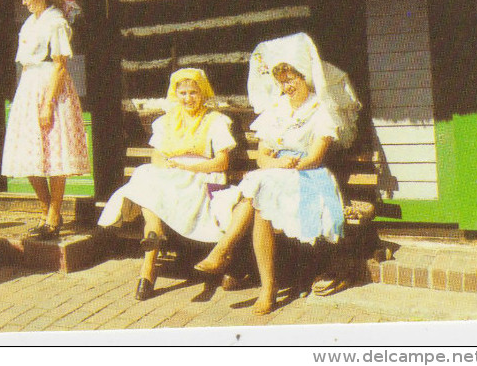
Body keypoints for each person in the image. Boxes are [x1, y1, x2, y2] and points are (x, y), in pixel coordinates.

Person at [194, 32, 360, 315]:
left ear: (305, 77)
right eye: (282, 81)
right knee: (262, 202)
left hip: (308, 178)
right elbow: (262, 156)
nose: (287, 85)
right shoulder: (277, 110)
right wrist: (274, 165)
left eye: (292, 79)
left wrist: (284, 165)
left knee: (260, 192)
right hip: (274, 177)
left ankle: (230, 257)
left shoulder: (321, 110)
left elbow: (314, 157)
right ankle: (264, 286)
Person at [98, 68, 238, 300]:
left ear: (202, 93)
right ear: (175, 94)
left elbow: (221, 163)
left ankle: (148, 268)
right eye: (182, 93)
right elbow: (158, 157)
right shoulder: (167, 121)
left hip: (201, 176)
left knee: (147, 184)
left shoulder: (215, 120)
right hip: (173, 176)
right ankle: (155, 234)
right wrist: (170, 170)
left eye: (193, 92)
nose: (187, 98)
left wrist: (186, 167)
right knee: (146, 175)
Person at [1, 0, 90, 240]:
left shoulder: (56, 22)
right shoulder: (29, 24)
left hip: (51, 87)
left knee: (55, 152)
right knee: (30, 153)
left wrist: (48, 104)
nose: (24, 2)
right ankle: (44, 209)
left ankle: (54, 213)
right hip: (28, 86)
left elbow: (61, 66)